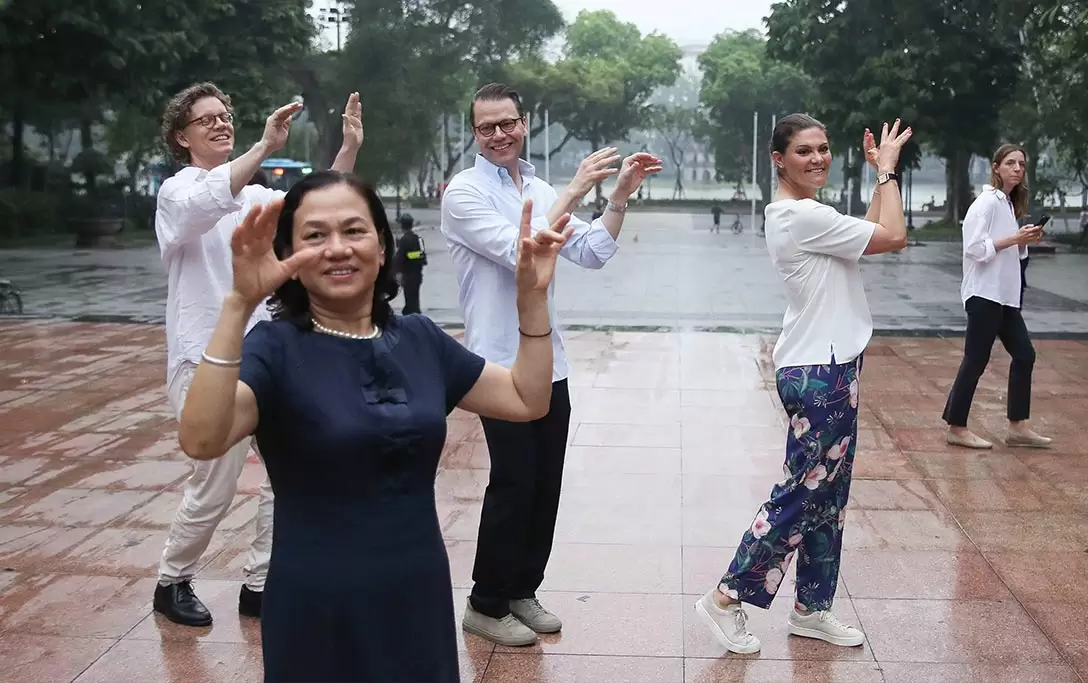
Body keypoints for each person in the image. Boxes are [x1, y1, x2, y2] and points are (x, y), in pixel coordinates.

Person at [175, 173, 570, 682]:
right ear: (287, 255)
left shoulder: (420, 339)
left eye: (354, 231)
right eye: (315, 236)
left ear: (382, 247)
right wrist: (237, 305)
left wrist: (531, 299)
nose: (337, 249)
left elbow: (527, 398)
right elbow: (202, 438)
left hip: (416, 593)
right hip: (317, 603)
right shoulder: (274, 349)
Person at [441, 83, 662, 647]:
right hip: (495, 363)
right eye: (486, 127)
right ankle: (485, 601)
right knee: (513, 482)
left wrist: (617, 196)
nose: (498, 135)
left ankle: (521, 589)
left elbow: (591, 251)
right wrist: (576, 187)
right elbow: (523, 248)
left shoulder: (537, 186)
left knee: (545, 484)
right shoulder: (463, 192)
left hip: (549, 359)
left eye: (507, 123)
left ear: (524, 123)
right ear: (474, 132)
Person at [694, 115, 911, 654]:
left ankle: (812, 608)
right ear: (778, 159)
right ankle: (724, 597)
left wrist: (880, 175)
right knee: (802, 492)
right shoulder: (800, 215)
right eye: (804, 151)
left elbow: (868, 236)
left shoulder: (808, 217)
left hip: (830, 365)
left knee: (827, 496)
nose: (817, 158)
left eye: (823, 148)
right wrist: (886, 175)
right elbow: (895, 237)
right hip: (820, 374)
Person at [152, 81, 362, 627]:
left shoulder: (254, 198)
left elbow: (310, 204)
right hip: (202, 358)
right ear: (182, 137)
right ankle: (173, 580)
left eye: (226, 114)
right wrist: (265, 147)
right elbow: (206, 202)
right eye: (207, 120)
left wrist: (348, 151)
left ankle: (262, 583)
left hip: (265, 356)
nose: (222, 123)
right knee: (215, 482)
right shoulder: (178, 192)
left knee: (285, 474)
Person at [941, 143, 1052, 450]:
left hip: (1005, 297)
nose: (1018, 168)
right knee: (975, 359)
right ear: (996, 167)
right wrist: (1014, 238)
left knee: (1025, 355)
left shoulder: (1006, 204)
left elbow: (1010, 254)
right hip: (984, 294)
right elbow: (974, 249)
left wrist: (1023, 240)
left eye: (1022, 164)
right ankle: (957, 426)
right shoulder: (986, 202)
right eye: (1011, 163)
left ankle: (1018, 426)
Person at [395, 212, 425, 315]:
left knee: (410, 299)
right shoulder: (419, 239)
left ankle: (412, 317)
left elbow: (400, 258)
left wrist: (398, 273)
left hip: (408, 274)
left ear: (402, 226)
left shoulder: (404, 240)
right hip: (418, 274)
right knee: (414, 298)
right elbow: (422, 256)